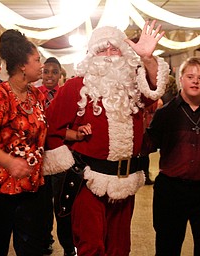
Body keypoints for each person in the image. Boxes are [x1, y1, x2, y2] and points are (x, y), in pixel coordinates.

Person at [43, 20, 169, 255]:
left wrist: (148, 58)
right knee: (91, 246)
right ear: (92, 55)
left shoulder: (132, 86)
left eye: (115, 49)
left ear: (124, 54)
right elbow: (49, 126)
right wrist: (73, 137)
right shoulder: (75, 86)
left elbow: (154, 90)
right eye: (102, 50)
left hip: (126, 180)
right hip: (88, 180)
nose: (109, 55)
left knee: (120, 248)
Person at [0, 29, 47, 256]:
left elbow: (41, 132)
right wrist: (10, 163)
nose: (42, 65)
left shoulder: (37, 95)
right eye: (37, 60)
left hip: (32, 187)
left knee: (32, 248)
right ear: (22, 66)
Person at [142, 57, 200, 256]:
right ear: (181, 79)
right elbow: (147, 146)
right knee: (168, 246)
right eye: (190, 76)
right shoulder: (165, 113)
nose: (196, 81)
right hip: (171, 190)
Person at [39, 57, 76, 256]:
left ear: (60, 74)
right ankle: (45, 241)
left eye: (54, 72)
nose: (49, 76)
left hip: (63, 157)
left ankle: (69, 247)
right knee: (42, 206)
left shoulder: (67, 95)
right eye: (46, 71)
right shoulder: (35, 94)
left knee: (63, 206)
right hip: (40, 157)